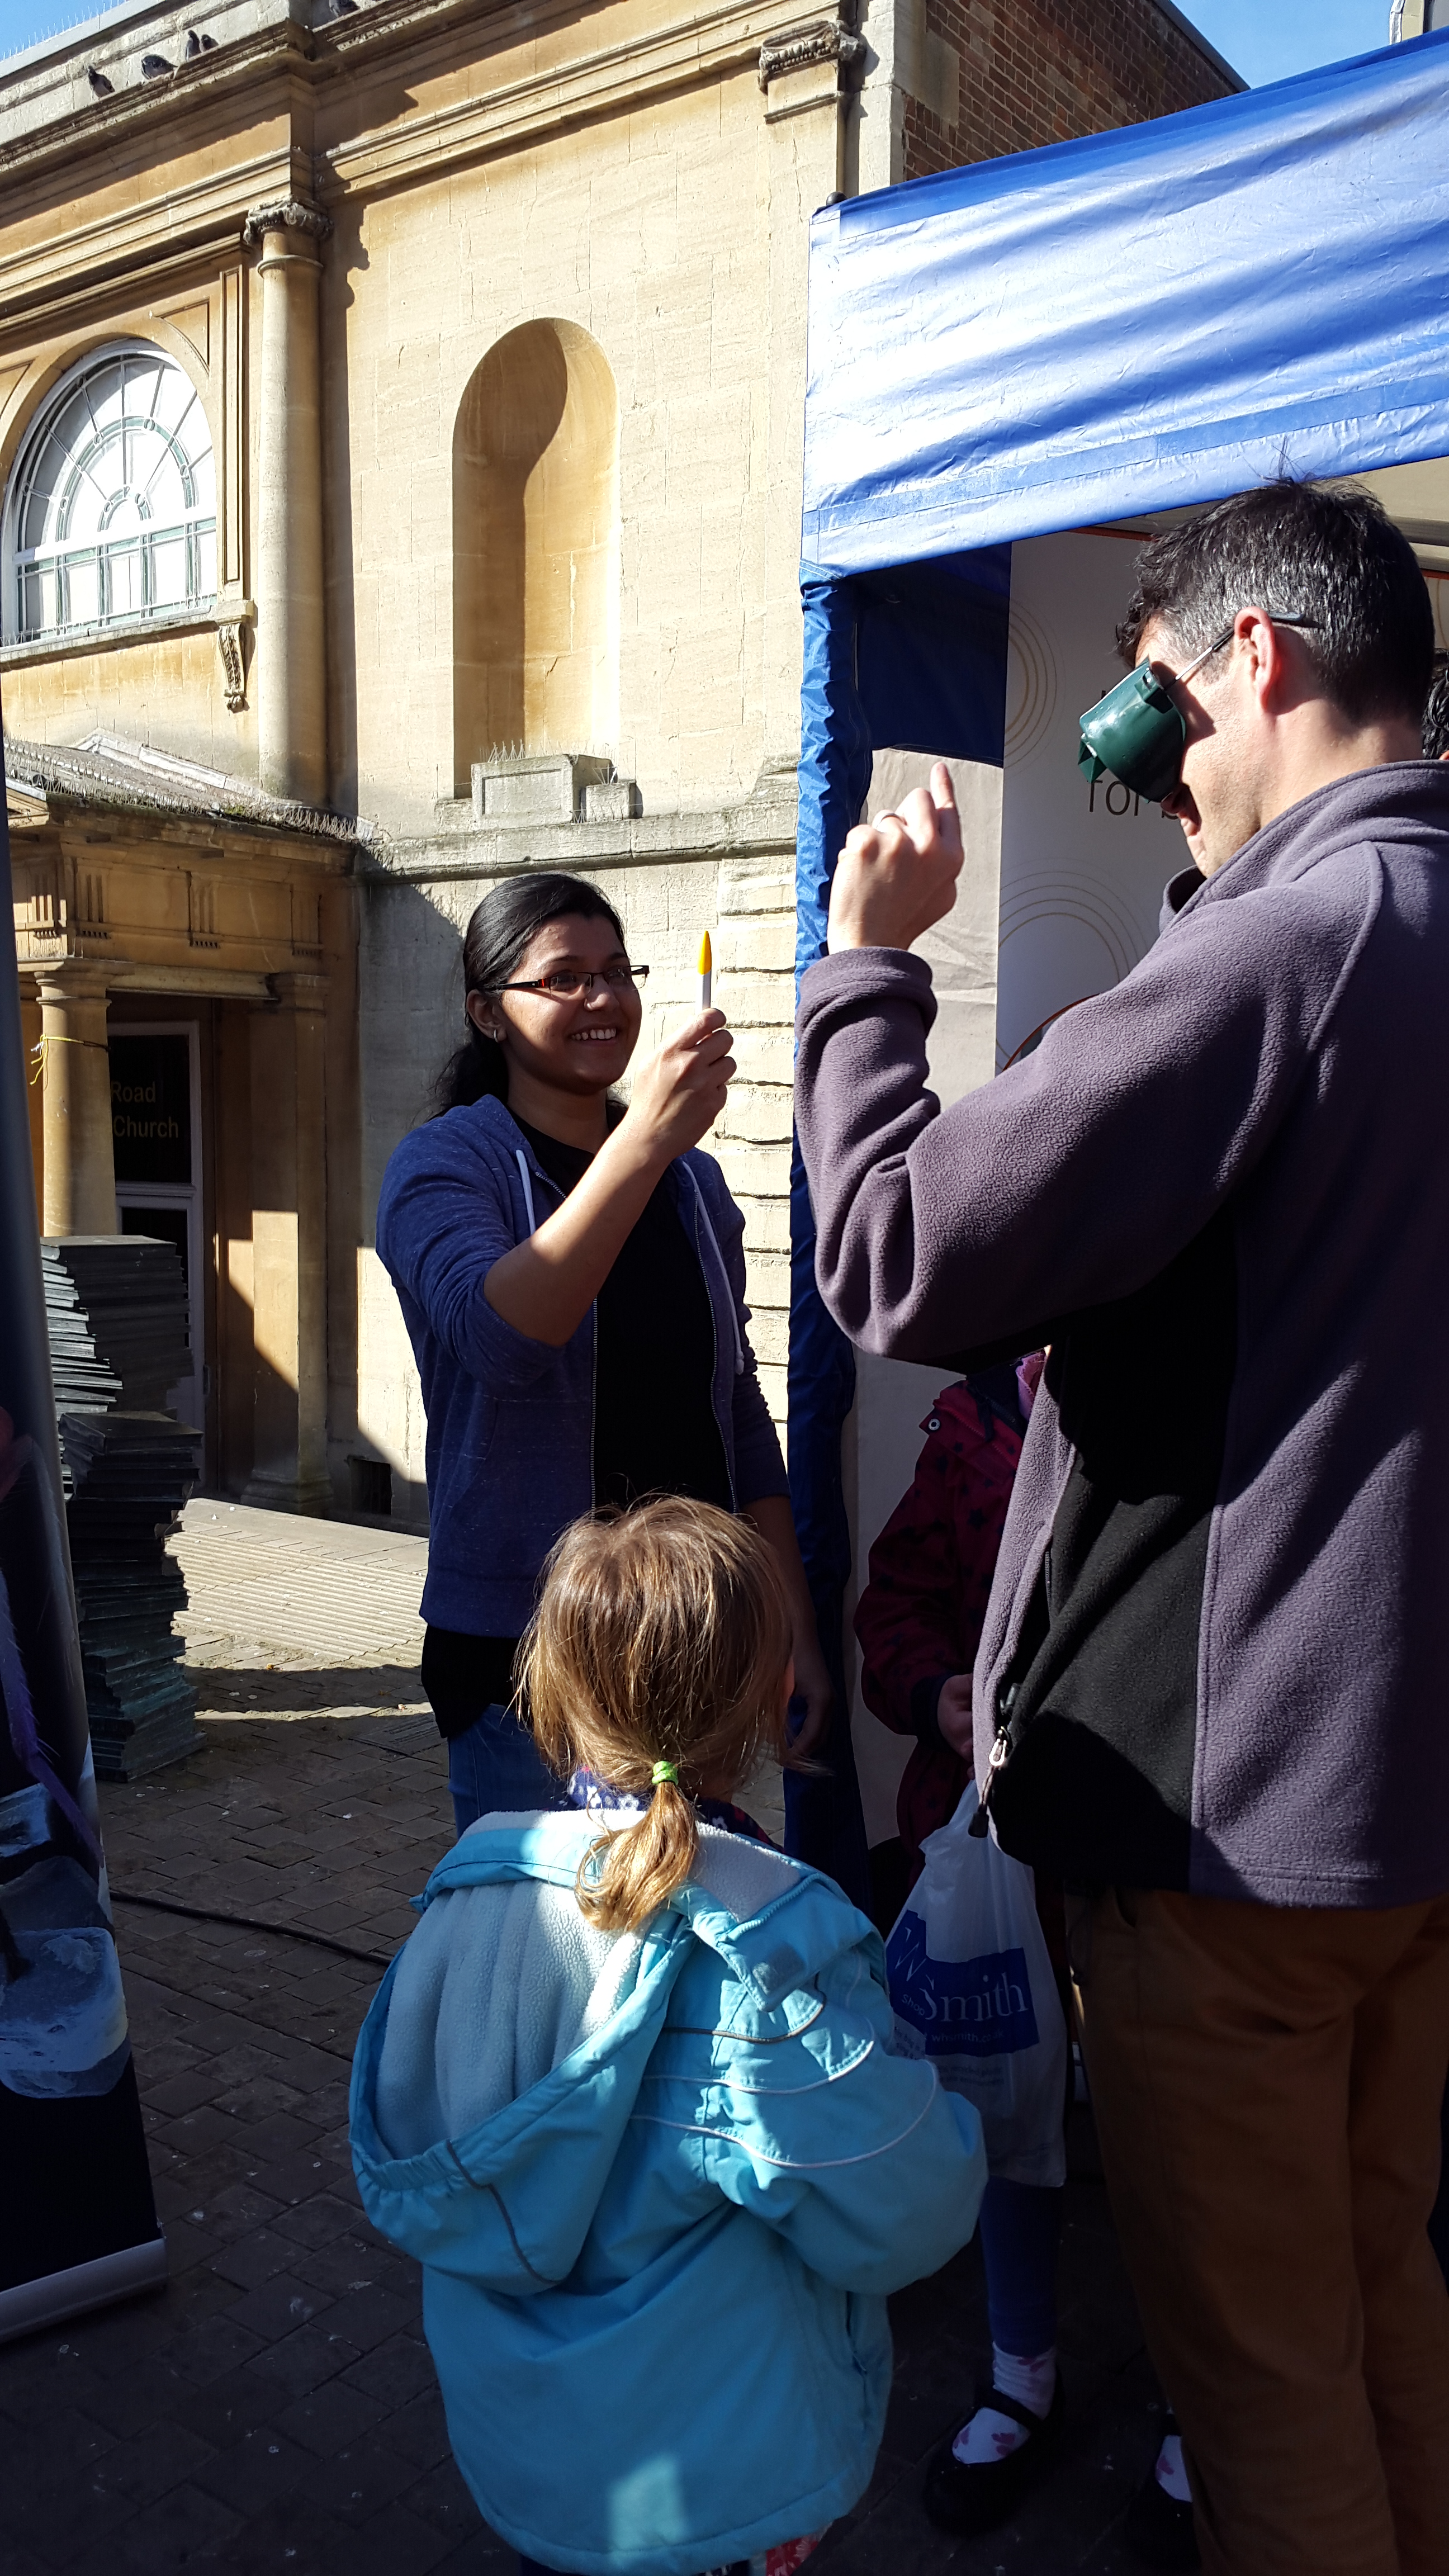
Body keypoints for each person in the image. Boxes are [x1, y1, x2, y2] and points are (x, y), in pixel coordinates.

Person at [793, 480, 1449, 2576]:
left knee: (1261, 2384)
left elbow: (896, 1250)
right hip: (1410, 1818)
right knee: (1383, 2302)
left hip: (1229, 1824)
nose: (1149, 757)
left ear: (1251, 659)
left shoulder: (1291, 941)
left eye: (1154, 699)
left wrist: (867, 970)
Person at [350, 1497, 988, 2576]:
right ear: (772, 1696)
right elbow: (906, 2209)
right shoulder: (771, 1959)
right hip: (711, 2498)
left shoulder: (462, 1908)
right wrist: (958, 2113)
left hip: (537, 2472)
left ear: (547, 1690)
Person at [375, 873, 830, 1836]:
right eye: (565, 978)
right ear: (486, 1012)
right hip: (525, 1661)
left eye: (617, 972)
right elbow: (504, 1341)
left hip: (691, 1644)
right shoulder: (445, 1166)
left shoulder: (693, 1185)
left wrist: (791, 1624)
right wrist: (646, 1144)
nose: (602, 999)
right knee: (555, 1960)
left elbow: (735, 1409)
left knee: (681, 1946)